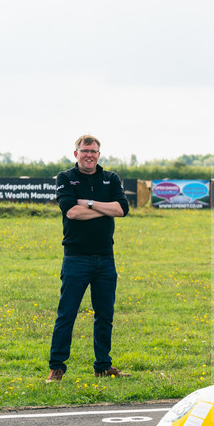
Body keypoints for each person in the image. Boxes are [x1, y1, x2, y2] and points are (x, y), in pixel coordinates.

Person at [46, 135, 130, 383]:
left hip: (106, 258)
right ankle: (57, 368)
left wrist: (90, 203)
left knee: (104, 315)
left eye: (93, 151)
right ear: (76, 154)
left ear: (99, 154)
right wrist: (104, 208)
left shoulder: (110, 178)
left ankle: (103, 366)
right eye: (84, 151)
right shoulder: (65, 178)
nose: (89, 155)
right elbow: (71, 212)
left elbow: (122, 209)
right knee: (66, 314)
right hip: (76, 259)